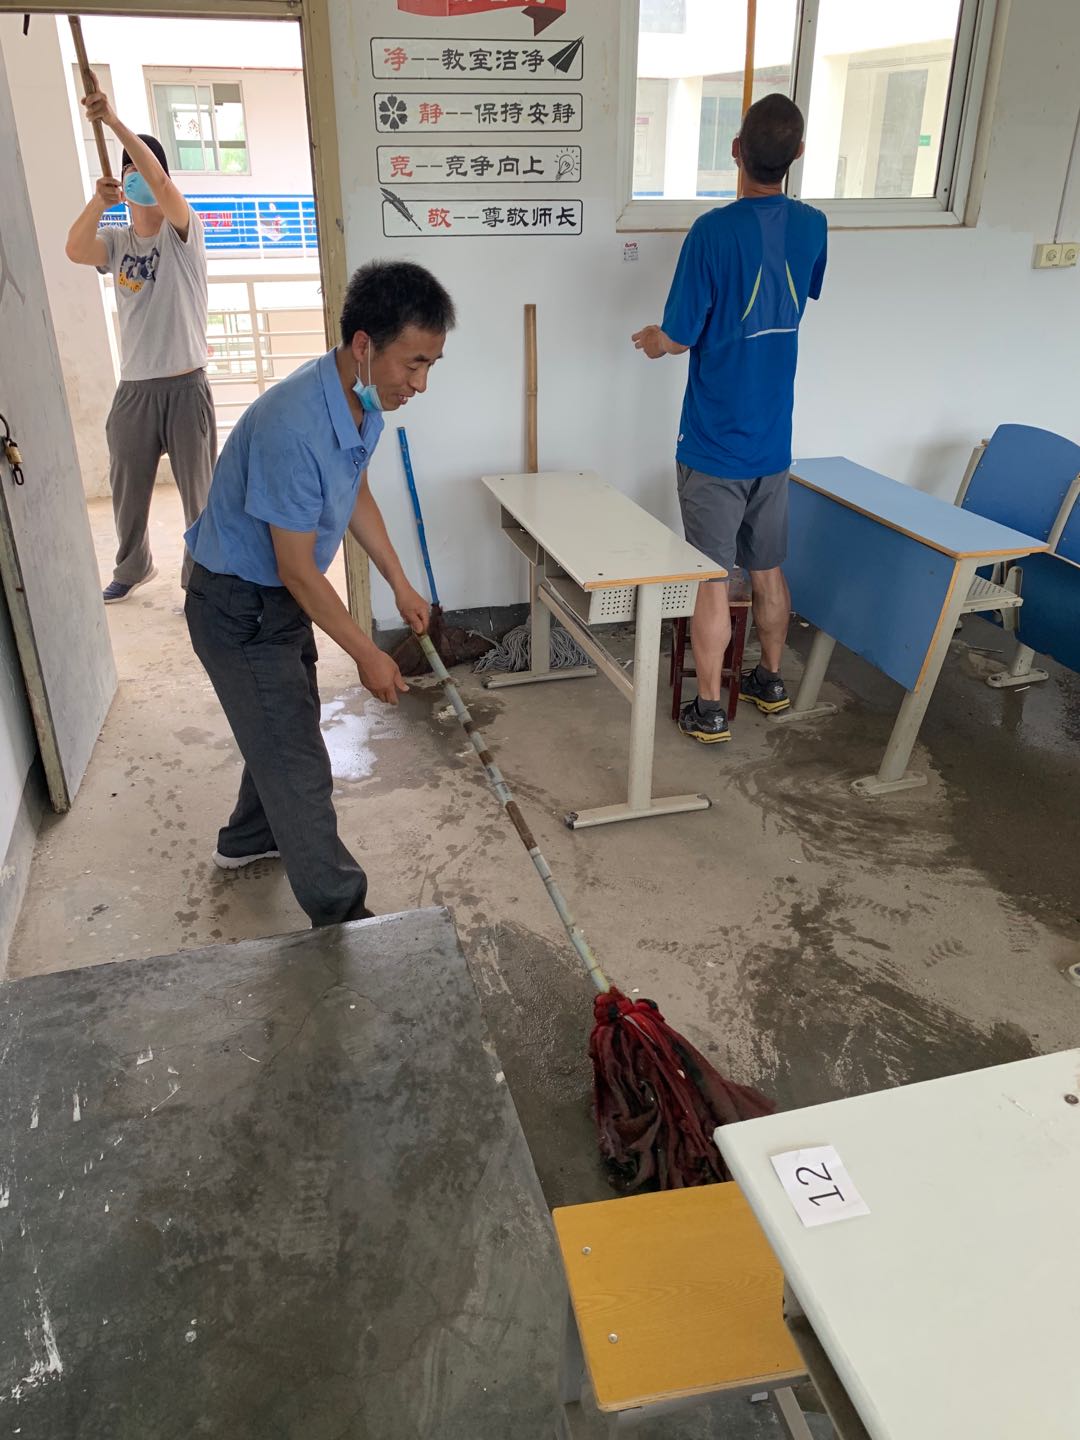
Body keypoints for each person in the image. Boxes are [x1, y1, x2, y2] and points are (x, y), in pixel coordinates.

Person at [184, 259, 453, 927]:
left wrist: (399, 582)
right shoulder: (293, 425)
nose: (421, 384)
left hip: (271, 602)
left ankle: (248, 838)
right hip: (238, 607)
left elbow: (355, 491)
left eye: (431, 365)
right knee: (298, 762)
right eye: (413, 364)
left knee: (284, 725)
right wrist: (368, 653)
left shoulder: (362, 402)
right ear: (364, 344)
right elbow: (298, 571)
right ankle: (343, 919)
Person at [633, 93, 827, 743]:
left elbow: (679, 336)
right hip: (774, 442)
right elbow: (799, 293)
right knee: (767, 568)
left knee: (712, 578)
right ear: (798, 154)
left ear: (736, 150)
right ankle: (770, 679)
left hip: (713, 444)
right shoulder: (813, 226)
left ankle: (711, 707)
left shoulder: (712, 233)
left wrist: (654, 339)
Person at [65, 76, 213, 604]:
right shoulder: (117, 242)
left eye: (142, 170)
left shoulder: (183, 232)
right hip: (134, 389)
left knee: (199, 497)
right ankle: (133, 566)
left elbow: (163, 188)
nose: (136, 177)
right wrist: (97, 201)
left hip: (185, 386)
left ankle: (200, 578)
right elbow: (75, 250)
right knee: (126, 488)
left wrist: (113, 122)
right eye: (127, 172)